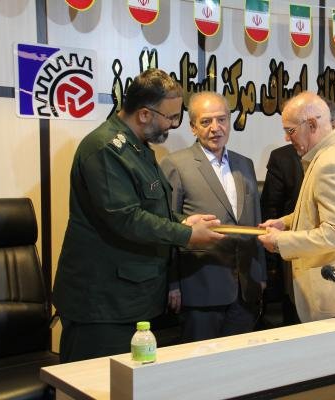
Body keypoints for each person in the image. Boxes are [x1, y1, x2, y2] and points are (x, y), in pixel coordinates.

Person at [53, 69, 224, 363]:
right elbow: (126, 218)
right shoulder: (105, 149)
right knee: (96, 383)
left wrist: (183, 221)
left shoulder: (138, 147)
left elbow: (152, 208)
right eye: (171, 117)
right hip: (102, 304)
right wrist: (186, 235)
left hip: (132, 299)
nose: (172, 125)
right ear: (144, 114)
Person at [257, 92, 335, 322]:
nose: (287, 138)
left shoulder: (331, 163)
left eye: (290, 130)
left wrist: (280, 241)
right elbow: (322, 210)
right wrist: (286, 222)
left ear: (312, 125)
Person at [160, 91, 266, 342]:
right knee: (201, 361)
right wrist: (172, 284)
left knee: (241, 360)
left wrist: (260, 274)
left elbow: (255, 222)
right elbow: (167, 226)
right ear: (193, 126)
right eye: (206, 121)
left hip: (245, 289)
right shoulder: (175, 164)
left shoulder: (245, 164)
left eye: (221, 119)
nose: (215, 128)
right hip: (200, 287)